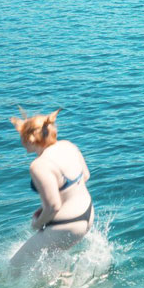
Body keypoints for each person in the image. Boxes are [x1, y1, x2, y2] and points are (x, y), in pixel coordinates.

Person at [8, 108, 93, 274]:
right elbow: (86, 176)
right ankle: (66, 279)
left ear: (30, 139)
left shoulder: (39, 165)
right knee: (50, 257)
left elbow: (53, 206)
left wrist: (37, 224)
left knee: (13, 268)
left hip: (67, 224)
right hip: (87, 214)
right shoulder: (68, 146)